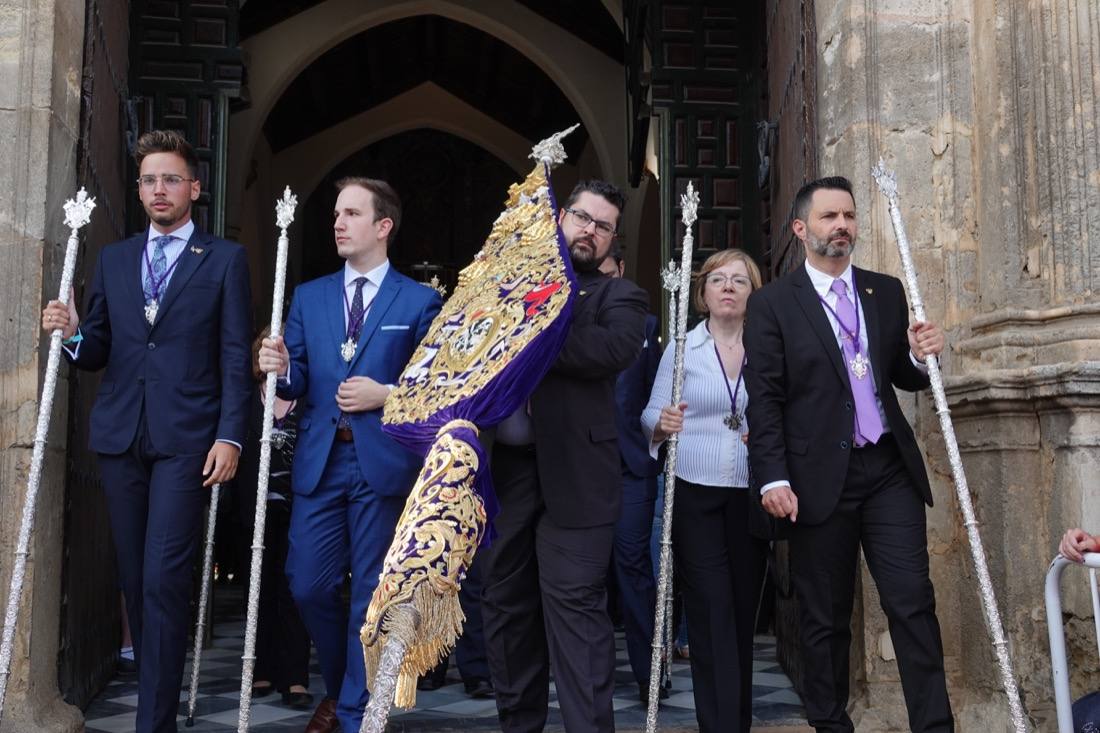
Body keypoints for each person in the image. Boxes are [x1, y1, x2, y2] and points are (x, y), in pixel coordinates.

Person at [41, 129, 253, 732]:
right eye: (149, 180)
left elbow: (235, 355)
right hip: (121, 439)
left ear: (194, 187)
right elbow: (98, 348)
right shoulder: (114, 257)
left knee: (163, 576)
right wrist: (73, 330)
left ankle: (153, 724)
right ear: (139, 190)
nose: (159, 189)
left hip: (188, 440)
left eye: (171, 179)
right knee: (135, 579)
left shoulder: (224, 260)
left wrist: (231, 435)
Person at [744, 176, 952, 732]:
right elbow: (763, 397)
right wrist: (771, 478)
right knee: (824, 618)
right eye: (829, 216)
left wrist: (920, 355)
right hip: (815, 478)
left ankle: (934, 728)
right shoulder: (772, 304)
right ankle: (831, 725)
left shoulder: (883, 290)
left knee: (912, 603)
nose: (842, 226)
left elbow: (900, 377)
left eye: (850, 216)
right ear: (800, 228)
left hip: (886, 469)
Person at [257, 177, 441, 733]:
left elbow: (436, 386)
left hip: (382, 464)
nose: (338, 223)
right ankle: (341, 688)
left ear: (383, 226)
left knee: (371, 591)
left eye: (352, 214)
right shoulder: (309, 297)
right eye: (337, 213)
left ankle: (360, 713)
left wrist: (386, 395)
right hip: (320, 461)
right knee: (307, 583)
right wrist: (282, 367)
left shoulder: (418, 300)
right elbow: (296, 384)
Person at [482, 180, 648, 733]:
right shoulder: (505, 284)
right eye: (580, 217)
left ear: (611, 240)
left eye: (602, 226)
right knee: (508, 613)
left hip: (578, 481)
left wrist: (534, 332)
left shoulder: (619, 296)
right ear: (560, 218)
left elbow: (611, 350)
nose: (588, 231)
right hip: (503, 477)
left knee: (576, 619)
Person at [641, 249, 767, 732]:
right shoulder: (682, 347)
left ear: (753, 292)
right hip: (695, 491)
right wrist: (663, 423)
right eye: (718, 280)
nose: (729, 287)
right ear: (703, 293)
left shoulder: (766, 345)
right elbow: (649, 414)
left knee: (740, 615)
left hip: (749, 491)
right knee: (711, 612)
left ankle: (737, 722)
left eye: (739, 280)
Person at [597, 246, 664, 703]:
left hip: (631, 467)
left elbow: (657, 394)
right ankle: (588, 677)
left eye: (607, 274)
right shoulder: (566, 316)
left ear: (621, 270)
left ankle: (650, 672)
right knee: (583, 579)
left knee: (633, 567)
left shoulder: (646, 326)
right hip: (578, 471)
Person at [235, 328, 312, 709]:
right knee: (258, 589)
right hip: (256, 508)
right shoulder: (249, 401)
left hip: (299, 507)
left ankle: (296, 677)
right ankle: (258, 669)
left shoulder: (306, 399)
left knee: (295, 589)